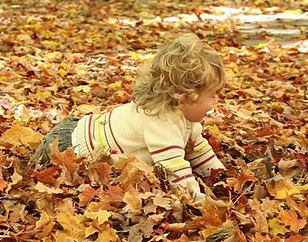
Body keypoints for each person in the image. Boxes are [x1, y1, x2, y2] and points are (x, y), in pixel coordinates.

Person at [34, 33, 226, 200]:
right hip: (70, 147)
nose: (215, 102)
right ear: (185, 98)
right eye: (212, 95)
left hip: (84, 128)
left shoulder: (184, 115)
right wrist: (198, 201)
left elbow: (198, 151)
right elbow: (175, 171)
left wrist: (220, 177)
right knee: (51, 167)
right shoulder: (161, 123)